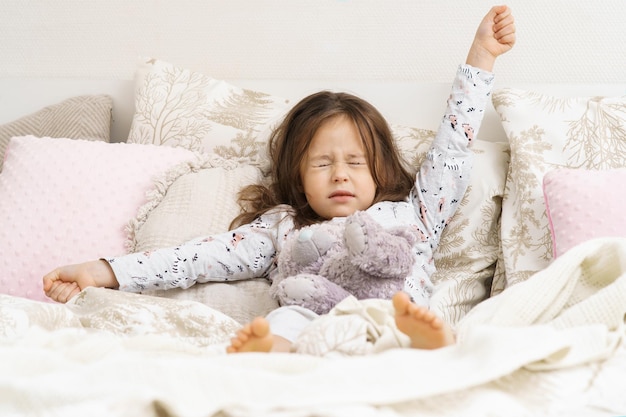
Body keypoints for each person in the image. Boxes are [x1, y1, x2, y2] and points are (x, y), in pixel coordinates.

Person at [43, 5, 515, 354]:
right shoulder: (282, 227)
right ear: (298, 176)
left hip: (388, 316)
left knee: (396, 317)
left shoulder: (412, 215)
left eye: (355, 161)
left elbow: (453, 149)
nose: (340, 175)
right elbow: (197, 258)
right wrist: (105, 271)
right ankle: (271, 357)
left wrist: (482, 56)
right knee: (286, 317)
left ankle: (427, 344)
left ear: (380, 171)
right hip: (313, 322)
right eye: (322, 163)